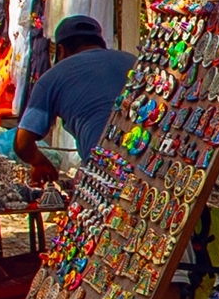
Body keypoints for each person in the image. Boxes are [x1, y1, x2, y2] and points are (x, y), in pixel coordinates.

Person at [15, 12, 132, 179]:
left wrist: (41, 164)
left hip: (106, 171)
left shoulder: (52, 77)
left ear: (61, 50)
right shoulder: (133, 61)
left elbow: (22, 144)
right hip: (154, 160)